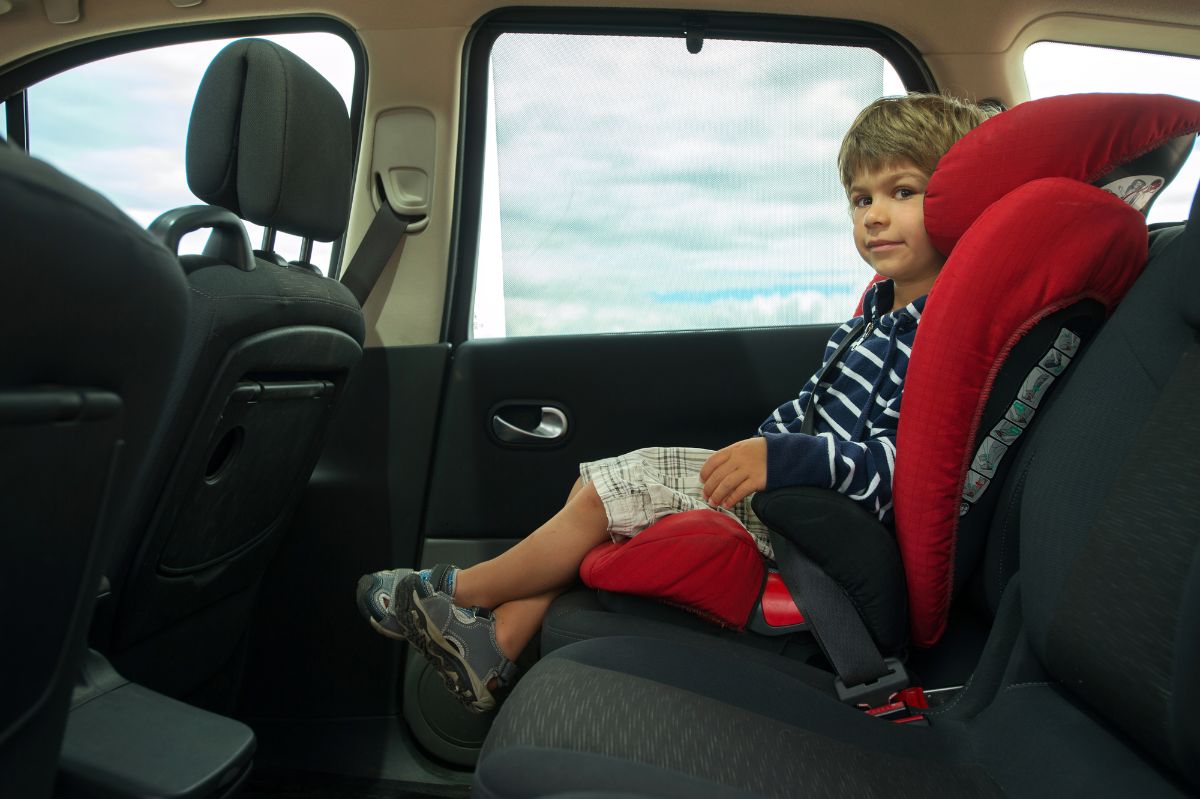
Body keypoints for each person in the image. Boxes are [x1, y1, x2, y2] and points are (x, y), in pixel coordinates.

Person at [356, 93, 993, 713]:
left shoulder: (939, 335)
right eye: (861, 199)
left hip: (819, 525)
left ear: (956, 200)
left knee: (617, 490)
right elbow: (811, 406)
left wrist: (785, 459)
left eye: (902, 192)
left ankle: (450, 593)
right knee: (598, 493)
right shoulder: (873, 314)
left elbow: (899, 467)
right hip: (788, 497)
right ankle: (494, 643)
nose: (873, 216)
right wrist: (768, 446)